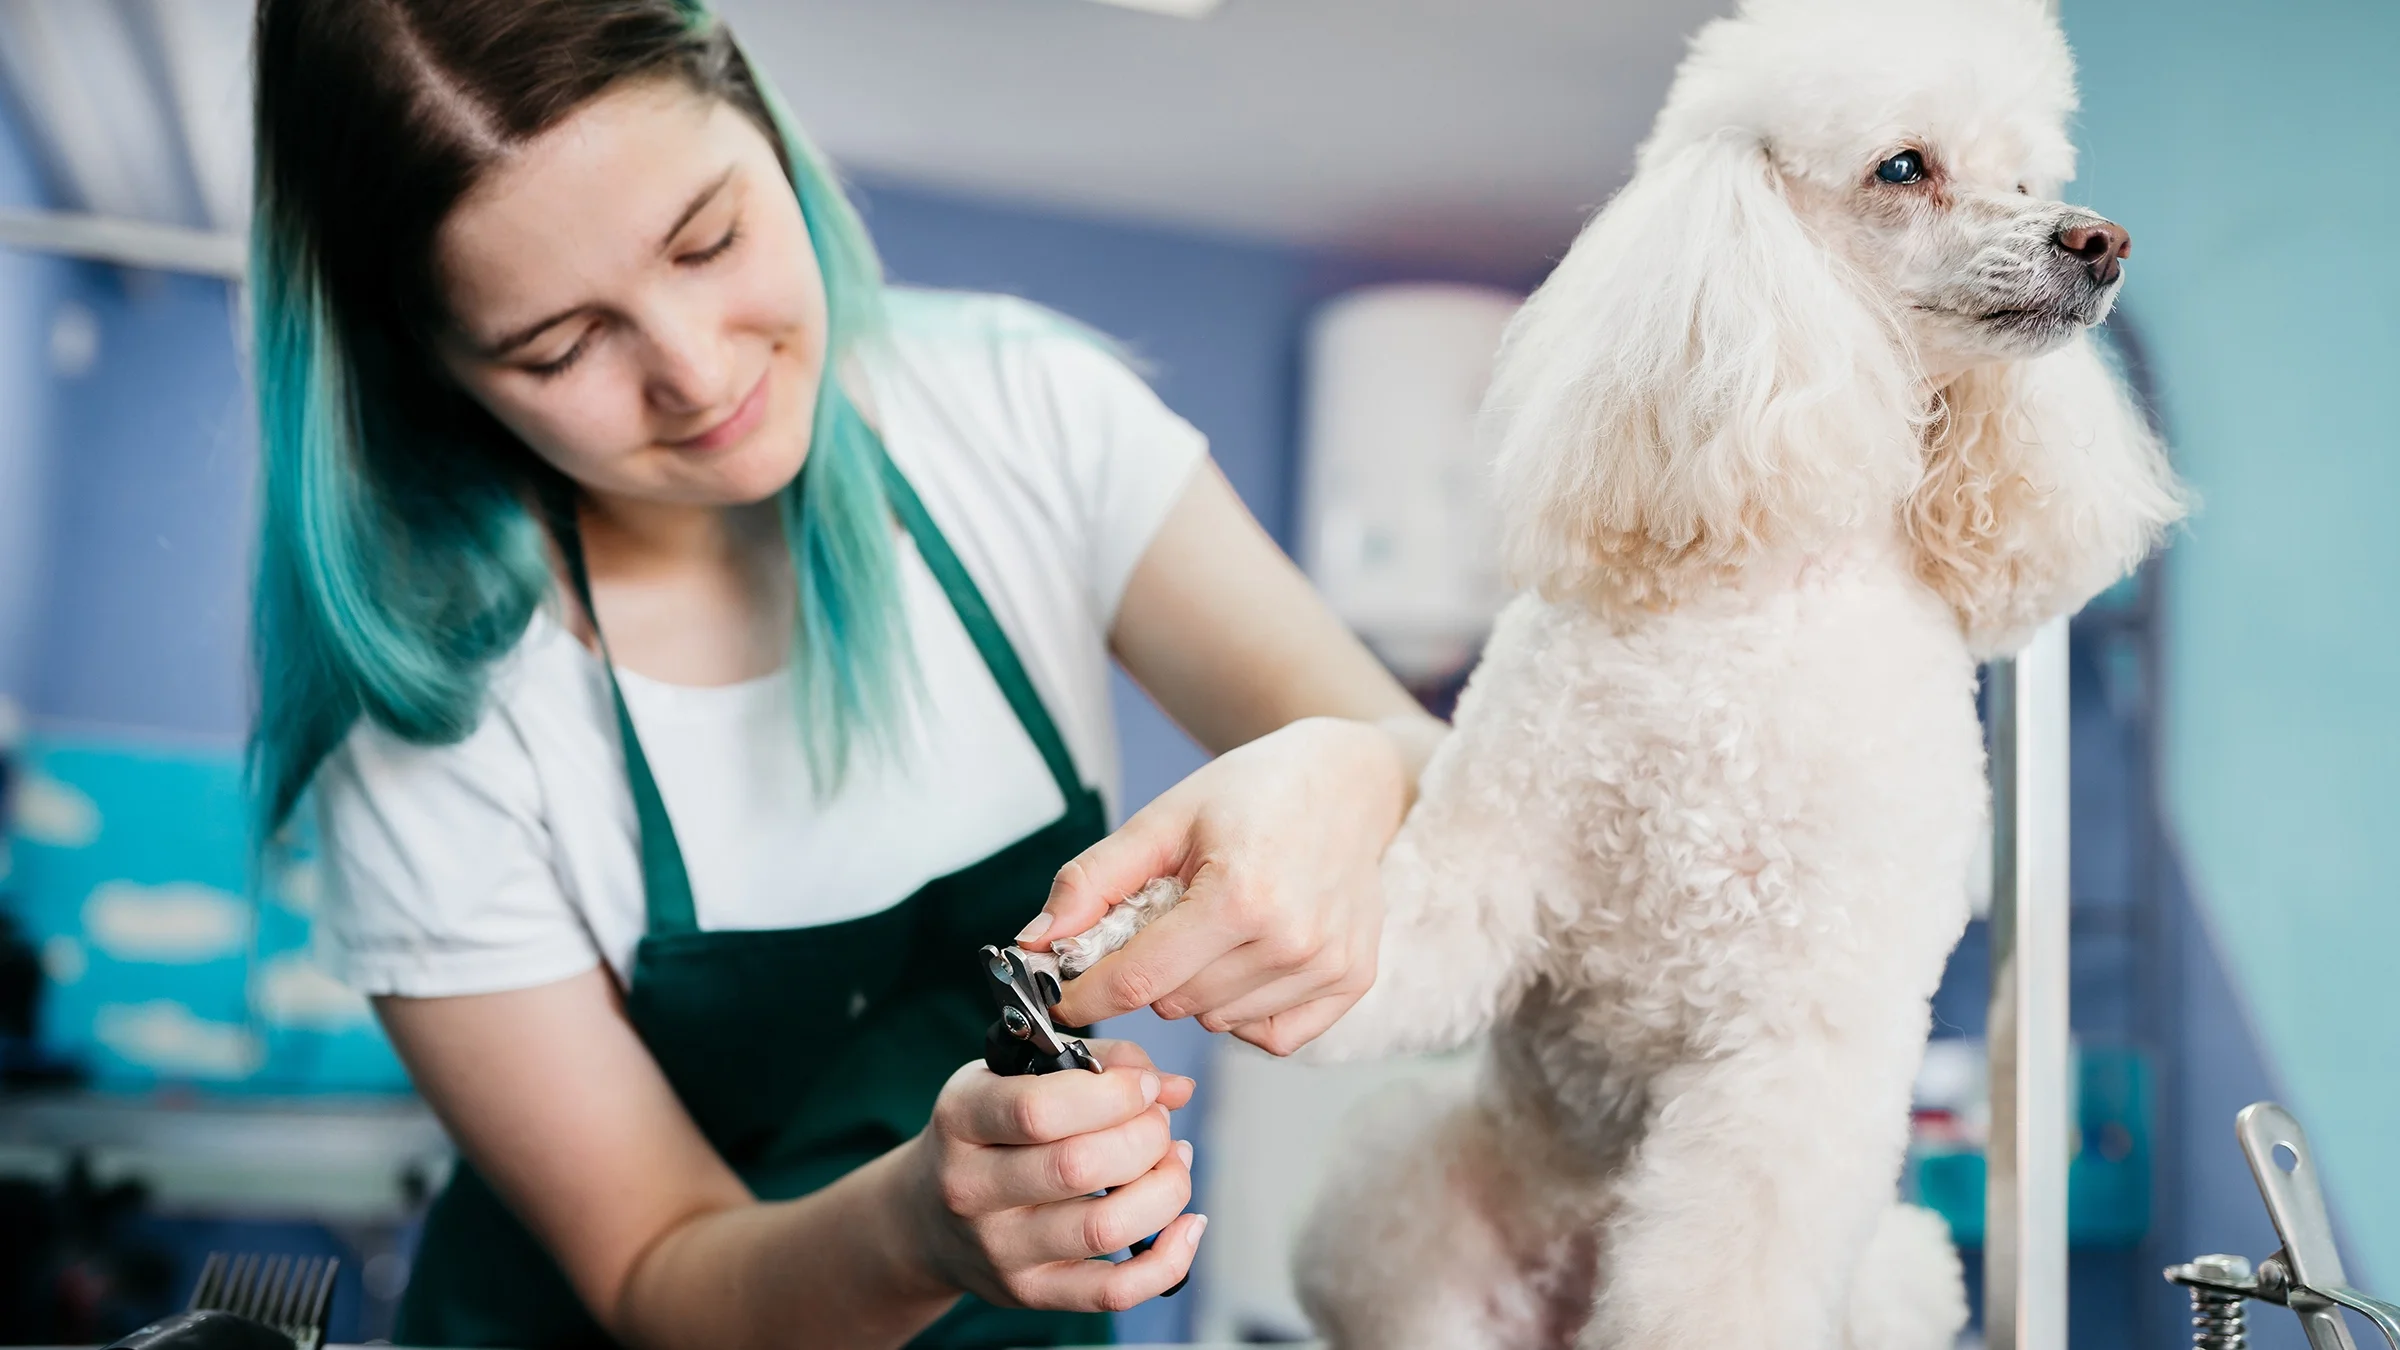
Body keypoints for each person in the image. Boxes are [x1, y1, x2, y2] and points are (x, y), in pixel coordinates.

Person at [246, 1, 1445, 1346]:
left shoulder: (1025, 420)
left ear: (762, 120)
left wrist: (1350, 768)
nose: (695, 373)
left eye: (710, 239)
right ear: (432, 369)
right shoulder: (435, 721)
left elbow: (1438, 780)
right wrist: (918, 1229)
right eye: (561, 345)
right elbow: (658, 1267)